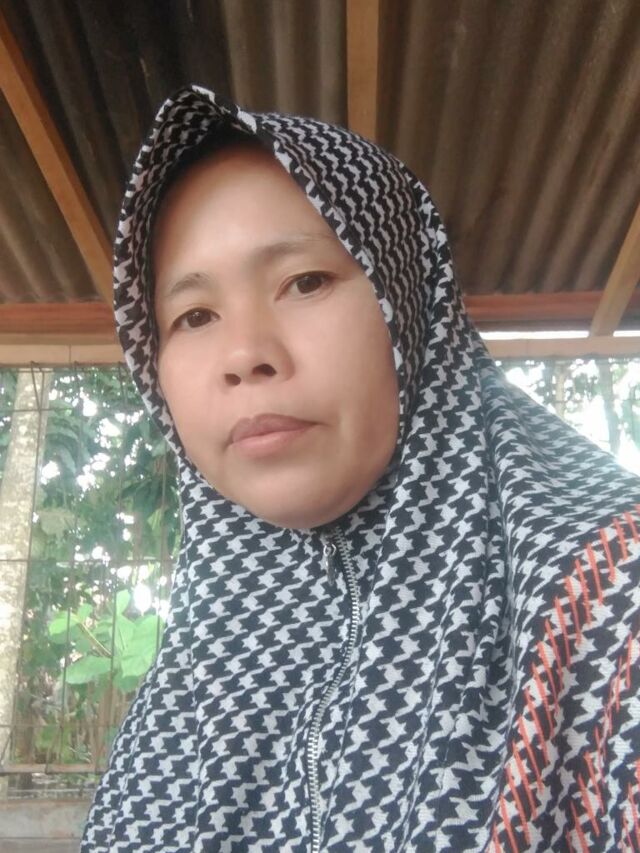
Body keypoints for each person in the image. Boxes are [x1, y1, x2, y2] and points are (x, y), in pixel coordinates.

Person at [82, 85, 640, 852]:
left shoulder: (605, 598)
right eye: (194, 315)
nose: (245, 354)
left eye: (305, 281)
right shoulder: (195, 674)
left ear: (405, 301)